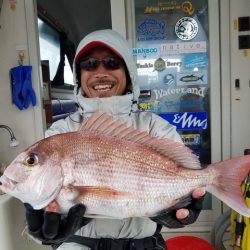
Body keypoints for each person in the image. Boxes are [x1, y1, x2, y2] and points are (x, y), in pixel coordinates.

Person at [24, 29, 205, 250]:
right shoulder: (60, 134)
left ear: (128, 72)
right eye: (89, 64)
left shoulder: (155, 127)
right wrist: (41, 229)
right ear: (79, 75)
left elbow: (184, 173)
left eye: (111, 63)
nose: (100, 72)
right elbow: (46, 199)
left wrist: (181, 205)